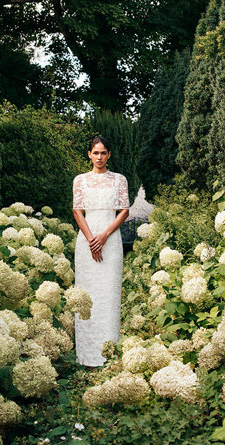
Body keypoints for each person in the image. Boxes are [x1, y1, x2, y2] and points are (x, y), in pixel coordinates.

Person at [72, 136, 129, 366]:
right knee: (87, 295)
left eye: (103, 153)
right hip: (87, 242)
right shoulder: (80, 180)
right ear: (89, 154)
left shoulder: (119, 180)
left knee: (109, 295)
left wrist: (104, 236)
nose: (99, 157)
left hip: (111, 239)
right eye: (95, 153)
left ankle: (110, 354)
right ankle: (86, 355)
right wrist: (91, 240)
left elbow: (124, 211)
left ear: (109, 155)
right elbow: (77, 211)